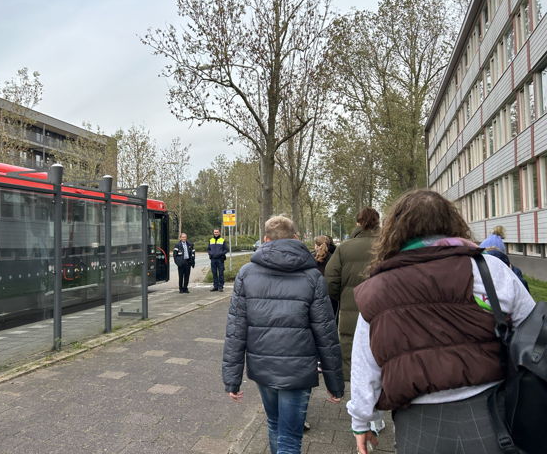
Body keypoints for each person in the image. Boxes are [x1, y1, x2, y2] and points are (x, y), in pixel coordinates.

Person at [347, 190, 535, 454]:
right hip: (494, 413)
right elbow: (534, 332)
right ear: (452, 222)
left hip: (418, 421)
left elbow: (365, 362)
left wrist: (361, 420)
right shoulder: (489, 270)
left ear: (395, 231)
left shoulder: (377, 288)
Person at [222, 215, 344, 454]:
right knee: (290, 436)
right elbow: (327, 334)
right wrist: (335, 383)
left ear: (265, 240)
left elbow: (235, 330)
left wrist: (232, 379)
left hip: (262, 366)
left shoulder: (247, 273)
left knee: (275, 425)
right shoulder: (312, 277)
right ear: (296, 238)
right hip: (298, 371)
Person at [324, 207, 379, 382]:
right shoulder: (388, 245)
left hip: (351, 308)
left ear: (358, 223)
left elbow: (330, 280)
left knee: (352, 352)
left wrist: (342, 297)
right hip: (383, 309)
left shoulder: (344, 248)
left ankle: (358, 399)